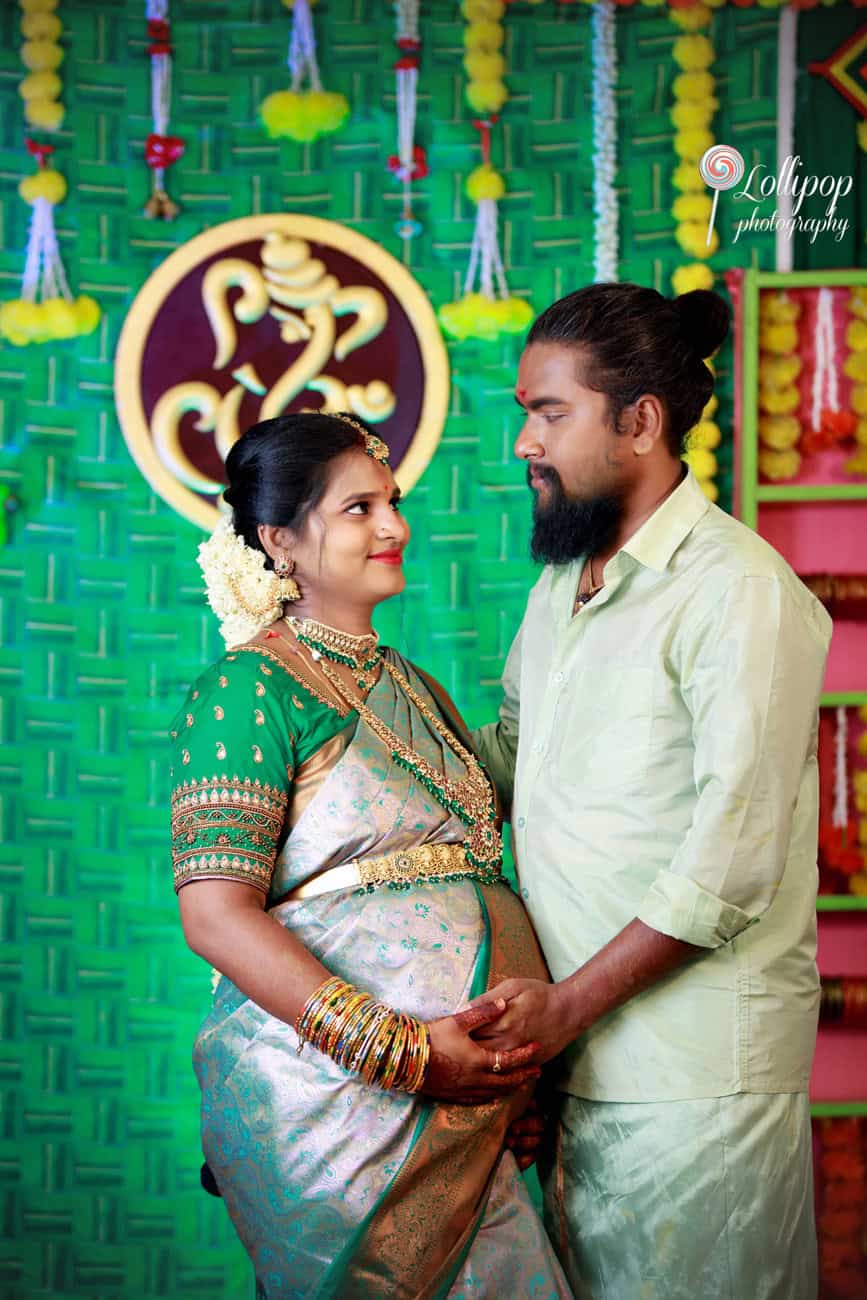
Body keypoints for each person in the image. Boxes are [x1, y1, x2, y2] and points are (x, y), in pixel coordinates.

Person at [472, 284, 832, 1300]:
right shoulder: (565, 581)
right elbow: (513, 755)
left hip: (694, 1081)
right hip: (584, 1069)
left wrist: (566, 1008)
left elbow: (733, 860)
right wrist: (356, 707)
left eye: (549, 413)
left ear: (639, 422)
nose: (522, 444)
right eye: (523, 412)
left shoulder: (739, 593)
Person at [169, 411, 572, 1299]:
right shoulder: (247, 689)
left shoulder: (411, 683)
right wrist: (400, 1054)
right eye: (359, 509)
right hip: (348, 1112)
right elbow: (213, 914)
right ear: (281, 540)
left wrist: (509, 1080)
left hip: (471, 1104)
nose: (395, 527)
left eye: (392, 502)